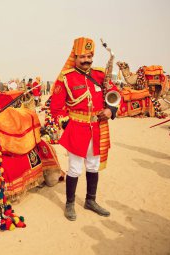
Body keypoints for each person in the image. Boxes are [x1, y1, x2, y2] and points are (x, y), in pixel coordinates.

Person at [50, 37, 118, 221]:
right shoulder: (66, 78)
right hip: (77, 128)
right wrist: (66, 124)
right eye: (83, 56)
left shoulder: (100, 74)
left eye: (90, 56)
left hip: (98, 127)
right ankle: (70, 204)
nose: (87, 60)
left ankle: (90, 201)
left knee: (93, 166)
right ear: (75, 56)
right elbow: (56, 108)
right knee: (74, 168)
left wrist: (110, 110)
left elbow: (115, 94)